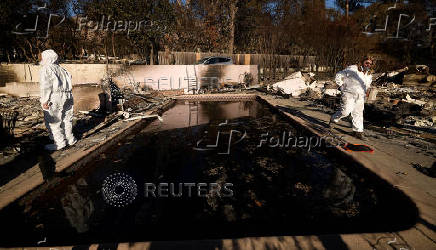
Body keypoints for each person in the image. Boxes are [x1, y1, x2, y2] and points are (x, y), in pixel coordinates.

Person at [39, 49, 77, 151]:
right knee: (66, 119)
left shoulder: (46, 69)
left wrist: (44, 100)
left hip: (55, 97)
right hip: (68, 96)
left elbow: (45, 86)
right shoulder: (62, 69)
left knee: (53, 121)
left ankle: (60, 143)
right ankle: (70, 139)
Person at [329, 55, 374, 140]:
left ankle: (358, 132)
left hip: (360, 96)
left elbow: (367, 85)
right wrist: (341, 85)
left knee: (358, 113)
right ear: (362, 61)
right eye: (366, 62)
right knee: (345, 111)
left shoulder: (369, 75)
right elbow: (339, 74)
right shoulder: (353, 68)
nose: (368, 65)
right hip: (349, 93)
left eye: (370, 64)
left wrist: (366, 91)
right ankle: (333, 119)